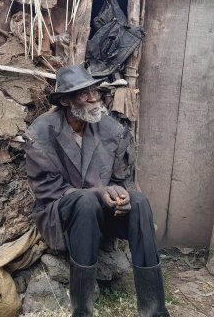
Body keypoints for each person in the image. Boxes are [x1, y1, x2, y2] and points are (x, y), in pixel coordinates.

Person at [24, 64, 169, 317]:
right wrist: (96, 193)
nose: (94, 98)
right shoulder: (42, 132)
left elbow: (120, 179)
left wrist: (121, 195)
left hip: (102, 212)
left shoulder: (111, 129)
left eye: (95, 91)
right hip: (61, 214)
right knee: (85, 201)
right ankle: (82, 311)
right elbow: (48, 189)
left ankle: (154, 310)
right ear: (66, 101)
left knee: (139, 203)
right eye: (84, 93)